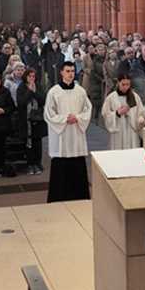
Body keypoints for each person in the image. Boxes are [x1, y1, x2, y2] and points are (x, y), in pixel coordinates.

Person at [45, 62, 92, 202]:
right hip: (62, 136)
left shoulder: (80, 91)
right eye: (67, 71)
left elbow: (88, 109)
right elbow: (48, 114)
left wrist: (77, 118)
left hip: (76, 134)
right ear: (61, 72)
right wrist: (65, 118)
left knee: (77, 164)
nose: (71, 74)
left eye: (72, 71)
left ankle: (80, 197)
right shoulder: (54, 91)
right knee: (60, 164)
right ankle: (58, 198)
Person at [16, 68, 48, 175]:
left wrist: (35, 92)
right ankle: (30, 164)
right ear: (25, 77)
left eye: (33, 76)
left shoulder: (38, 86)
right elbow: (21, 102)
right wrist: (29, 91)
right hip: (26, 120)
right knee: (29, 143)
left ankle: (37, 163)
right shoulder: (21, 87)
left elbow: (43, 100)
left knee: (37, 142)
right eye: (29, 76)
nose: (31, 78)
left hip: (38, 119)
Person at [102, 73, 145, 150]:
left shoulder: (135, 97)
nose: (126, 87)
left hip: (132, 132)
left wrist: (141, 119)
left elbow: (141, 112)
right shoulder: (111, 97)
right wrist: (117, 113)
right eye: (123, 84)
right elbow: (105, 114)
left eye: (128, 84)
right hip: (118, 132)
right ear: (118, 83)